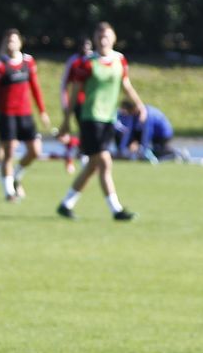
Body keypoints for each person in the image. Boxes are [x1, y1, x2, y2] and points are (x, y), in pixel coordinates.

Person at [57, 22, 142, 222]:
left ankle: (66, 204)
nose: (103, 39)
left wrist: (139, 104)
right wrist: (67, 120)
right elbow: (75, 92)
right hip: (90, 118)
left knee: (93, 166)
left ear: (113, 38)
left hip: (108, 118)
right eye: (99, 36)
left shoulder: (120, 60)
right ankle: (116, 210)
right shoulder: (87, 63)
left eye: (107, 36)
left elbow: (125, 85)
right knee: (104, 161)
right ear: (95, 40)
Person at [0, 29, 51, 202]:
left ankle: (17, 174)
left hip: (25, 115)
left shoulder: (28, 62)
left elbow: (35, 87)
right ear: (4, 44)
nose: (11, 44)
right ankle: (9, 191)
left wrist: (42, 111)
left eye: (14, 40)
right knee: (9, 152)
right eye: (8, 41)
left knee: (35, 151)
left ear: (20, 43)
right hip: (7, 115)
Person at [58, 35, 95, 174]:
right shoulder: (73, 61)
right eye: (83, 45)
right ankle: (81, 159)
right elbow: (64, 84)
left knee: (87, 133)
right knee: (81, 131)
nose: (86, 48)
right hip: (77, 102)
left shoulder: (95, 59)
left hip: (92, 103)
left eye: (88, 45)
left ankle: (81, 157)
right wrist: (65, 103)